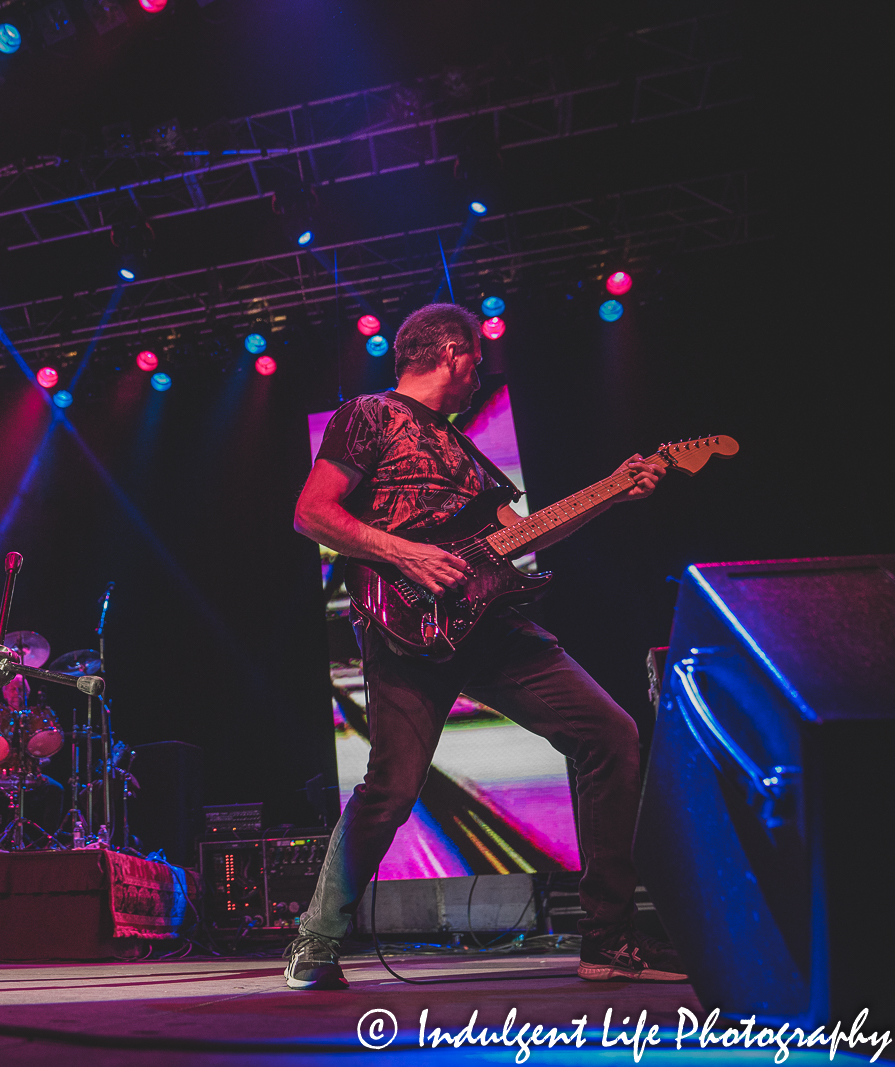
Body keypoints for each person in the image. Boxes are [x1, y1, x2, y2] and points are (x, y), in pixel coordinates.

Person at [283, 303, 684, 990]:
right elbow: (312, 511)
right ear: (452, 352)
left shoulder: (465, 450)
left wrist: (614, 492)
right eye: (476, 358)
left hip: (491, 623)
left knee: (609, 733)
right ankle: (315, 941)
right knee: (392, 788)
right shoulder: (370, 415)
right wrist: (404, 553)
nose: (480, 374)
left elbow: (520, 537)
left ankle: (608, 936)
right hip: (402, 624)